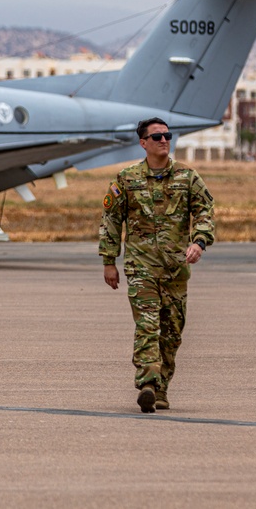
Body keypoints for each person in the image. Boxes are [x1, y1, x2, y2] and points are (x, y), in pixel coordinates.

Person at [98, 117, 214, 413]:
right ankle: (147, 384)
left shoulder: (188, 177)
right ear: (143, 143)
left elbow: (204, 212)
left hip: (176, 269)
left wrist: (198, 242)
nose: (164, 140)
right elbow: (111, 220)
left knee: (172, 332)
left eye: (167, 135)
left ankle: (161, 389)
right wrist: (109, 261)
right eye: (157, 136)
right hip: (141, 268)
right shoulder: (127, 178)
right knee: (147, 326)